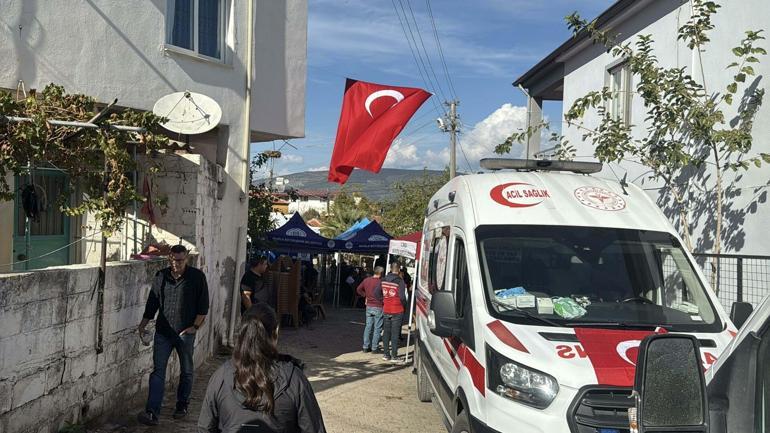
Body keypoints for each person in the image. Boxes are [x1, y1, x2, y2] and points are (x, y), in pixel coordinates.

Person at [197, 303, 326, 433]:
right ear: (275, 332)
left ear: (242, 332)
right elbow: (314, 428)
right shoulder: (295, 381)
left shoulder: (220, 378)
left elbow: (205, 428)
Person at [137, 244, 210, 425]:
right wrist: (143, 325)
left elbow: (203, 306)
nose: (176, 264)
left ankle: (182, 405)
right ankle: (152, 412)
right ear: (169, 259)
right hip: (163, 331)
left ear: (186, 259)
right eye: (173, 260)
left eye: (180, 260)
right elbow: (152, 303)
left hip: (185, 332)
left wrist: (195, 327)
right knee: (158, 372)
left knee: (186, 371)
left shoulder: (197, 277)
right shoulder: (161, 276)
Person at [381, 262, 407, 362]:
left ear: (391, 268)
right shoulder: (400, 281)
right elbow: (402, 297)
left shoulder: (383, 279)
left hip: (386, 308)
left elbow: (376, 292)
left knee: (386, 332)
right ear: (399, 269)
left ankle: (386, 354)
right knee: (395, 333)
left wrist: (384, 299)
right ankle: (394, 356)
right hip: (397, 309)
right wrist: (404, 305)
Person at [356, 266, 384, 353]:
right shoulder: (381, 282)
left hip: (369, 305)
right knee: (377, 328)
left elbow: (358, 289)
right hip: (378, 306)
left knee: (368, 326)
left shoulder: (366, 280)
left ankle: (365, 346)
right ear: (381, 274)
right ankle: (374, 347)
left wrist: (365, 296)